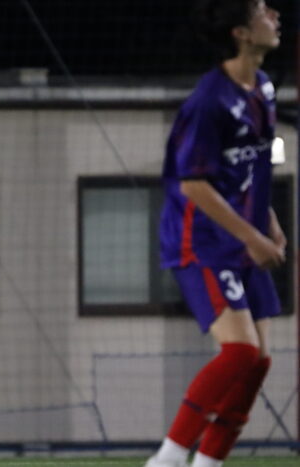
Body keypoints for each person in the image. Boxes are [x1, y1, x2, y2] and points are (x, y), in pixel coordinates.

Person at [147, 1, 285, 467]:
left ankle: (208, 463)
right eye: (263, 10)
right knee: (241, 351)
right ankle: (167, 459)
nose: (275, 15)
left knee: (259, 360)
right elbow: (194, 184)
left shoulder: (263, 87)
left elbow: (253, 170)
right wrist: (252, 237)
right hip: (200, 240)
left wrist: (270, 225)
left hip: (240, 238)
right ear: (241, 32)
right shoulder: (208, 102)